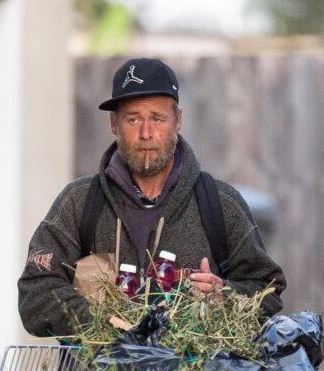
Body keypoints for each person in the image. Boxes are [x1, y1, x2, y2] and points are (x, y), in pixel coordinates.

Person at [18, 57, 286, 338]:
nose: (146, 133)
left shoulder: (220, 203)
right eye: (133, 119)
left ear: (178, 120)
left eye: (157, 118)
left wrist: (225, 298)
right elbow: (35, 297)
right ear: (114, 124)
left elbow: (267, 288)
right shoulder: (78, 202)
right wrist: (102, 321)